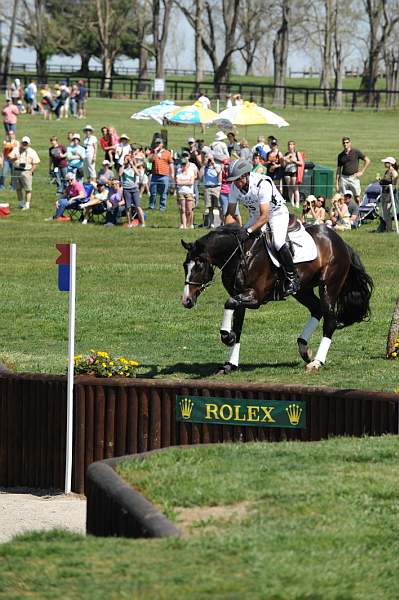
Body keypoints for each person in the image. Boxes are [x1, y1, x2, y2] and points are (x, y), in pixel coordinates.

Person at [225, 158, 300, 296]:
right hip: (256, 215)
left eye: (237, 179)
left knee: (278, 242)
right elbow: (230, 213)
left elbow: (265, 216)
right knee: (238, 241)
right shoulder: (235, 187)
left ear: (246, 175)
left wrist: (247, 231)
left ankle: (292, 277)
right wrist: (228, 232)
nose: (235, 183)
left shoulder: (262, 184)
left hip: (276, 213)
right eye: (233, 180)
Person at [9, 136, 40, 210]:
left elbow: (35, 163)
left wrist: (31, 172)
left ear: (29, 144)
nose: (25, 144)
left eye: (26, 143)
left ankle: (27, 205)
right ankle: (20, 204)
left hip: (26, 171)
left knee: (28, 189)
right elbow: (10, 158)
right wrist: (15, 158)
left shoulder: (32, 151)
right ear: (21, 142)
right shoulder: (16, 149)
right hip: (16, 171)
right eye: (23, 143)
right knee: (18, 188)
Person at [336, 136, 370, 204]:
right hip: (344, 178)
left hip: (353, 178)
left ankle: (359, 212)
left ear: (350, 143)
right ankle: (346, 213)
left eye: (347, 142)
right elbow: (338, 170)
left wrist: (361, 171)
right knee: (343, 198)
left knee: (357, 197)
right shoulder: (340, 155)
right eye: (344, 143)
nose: (345, 144)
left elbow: (367, 160)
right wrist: (337, 183)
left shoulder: (356, 152)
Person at [148, 137, 174, 211]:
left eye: (159, 143)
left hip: (164, 175)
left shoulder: (167, 153)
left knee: (163, 193)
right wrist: (155, 152)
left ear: (162, 144)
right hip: (155, 175)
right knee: (153, 192)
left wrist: (172, 173)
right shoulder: (152, 152)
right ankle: (151, 206)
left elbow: (171, 163)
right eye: (157, 143)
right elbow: (149, 161)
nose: (158, 144)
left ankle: (162, 207)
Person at [119, 154, 145, 228]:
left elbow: (137, 174)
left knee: (138, 207)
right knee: (128, 207)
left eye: (128, 159)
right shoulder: (123, 168)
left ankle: (143, 223)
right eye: (126, 159)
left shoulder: (133, 168)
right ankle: (129, 223)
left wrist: (132, 164)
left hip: (134, 189)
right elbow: (120, 174)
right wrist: (124, 164)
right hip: (126, 189)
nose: (127, 160)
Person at [200, 150, 222, 228]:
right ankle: (211, 223)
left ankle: (222, 223)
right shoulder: (204, 167)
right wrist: (204, 165)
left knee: (219, 207)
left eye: (210, 158)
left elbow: (219, 176)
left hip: (216, 188)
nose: (208, 160)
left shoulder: (217, 166)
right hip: (207, 188)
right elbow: (200, 176)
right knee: (210, 207)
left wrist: (213, 163)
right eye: (207, 158)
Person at [378, 156, 398, 233]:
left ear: (390, 163)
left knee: (387, 212)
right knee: (385, 212)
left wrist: (390, 196)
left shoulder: (394, 172)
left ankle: (389, 229)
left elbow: (393, 185)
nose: (384, 163)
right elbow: (384, 182)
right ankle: (387, 228)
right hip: (384, 193)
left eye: (386, 162)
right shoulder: (387, 171)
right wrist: (380, 180)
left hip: (389, 194)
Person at [176, 155, 195, 229]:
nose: (183, 165)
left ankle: (188, 224)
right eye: (182, 164)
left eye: (184, 164)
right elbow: (178, 182)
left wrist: (182, 182)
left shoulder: (191, 172)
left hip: (189, 193)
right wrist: (187, 181)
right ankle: (184, 225)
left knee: (189, 210)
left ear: (187, 164)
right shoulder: (179, 171)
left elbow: (191, 182)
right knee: (183, 209)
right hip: (181, 192)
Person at [283, 140, 303, 208]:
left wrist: (294, 161)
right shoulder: (286, 154)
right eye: (289, 145)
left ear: (294, 146)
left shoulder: (297, 153)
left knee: (295, 188)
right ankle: (292, 203)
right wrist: (286, 159)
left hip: (294, 171)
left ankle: (297, 203)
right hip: (287, 172)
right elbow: (283, 164)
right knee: (289, 188)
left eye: (291, 145)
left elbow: (301, 163)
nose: (290, 146)